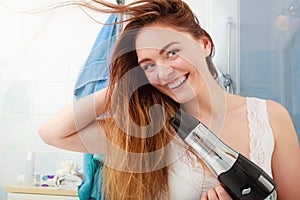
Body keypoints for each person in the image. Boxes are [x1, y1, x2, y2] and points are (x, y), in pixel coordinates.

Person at [38, 0, 300, 199]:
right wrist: (120, 87)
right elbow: (53, 133)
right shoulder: (148, 130)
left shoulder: (270, 116)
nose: (163, 73)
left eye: (172, 52)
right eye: (148, 65)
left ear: (204, 44)